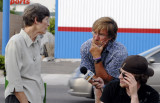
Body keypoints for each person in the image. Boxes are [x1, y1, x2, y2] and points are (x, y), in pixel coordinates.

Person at [5, 3, 50, 103]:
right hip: (20, 100)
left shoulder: (37, 42)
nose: (48, 24)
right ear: (36, 20)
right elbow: (14, 82)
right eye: (46, 20)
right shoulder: (15, 42)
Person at [80, 17, 128, 102]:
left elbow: (106, 80)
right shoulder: (85, 46)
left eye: (101, 34)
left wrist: (97, 57)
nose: (96, 38)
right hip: (98, 88)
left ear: (110, 37)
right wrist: (93, 81)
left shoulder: (120, 52)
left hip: (118, 90)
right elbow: (85, 71)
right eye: (94, 32)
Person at [93, 55, 159, 103]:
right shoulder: (112, 87)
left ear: (137, 77)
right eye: (120, 72)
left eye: (124, 75)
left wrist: (134, 95)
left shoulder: (151, 95)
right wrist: (98, 89)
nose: (120, 77)